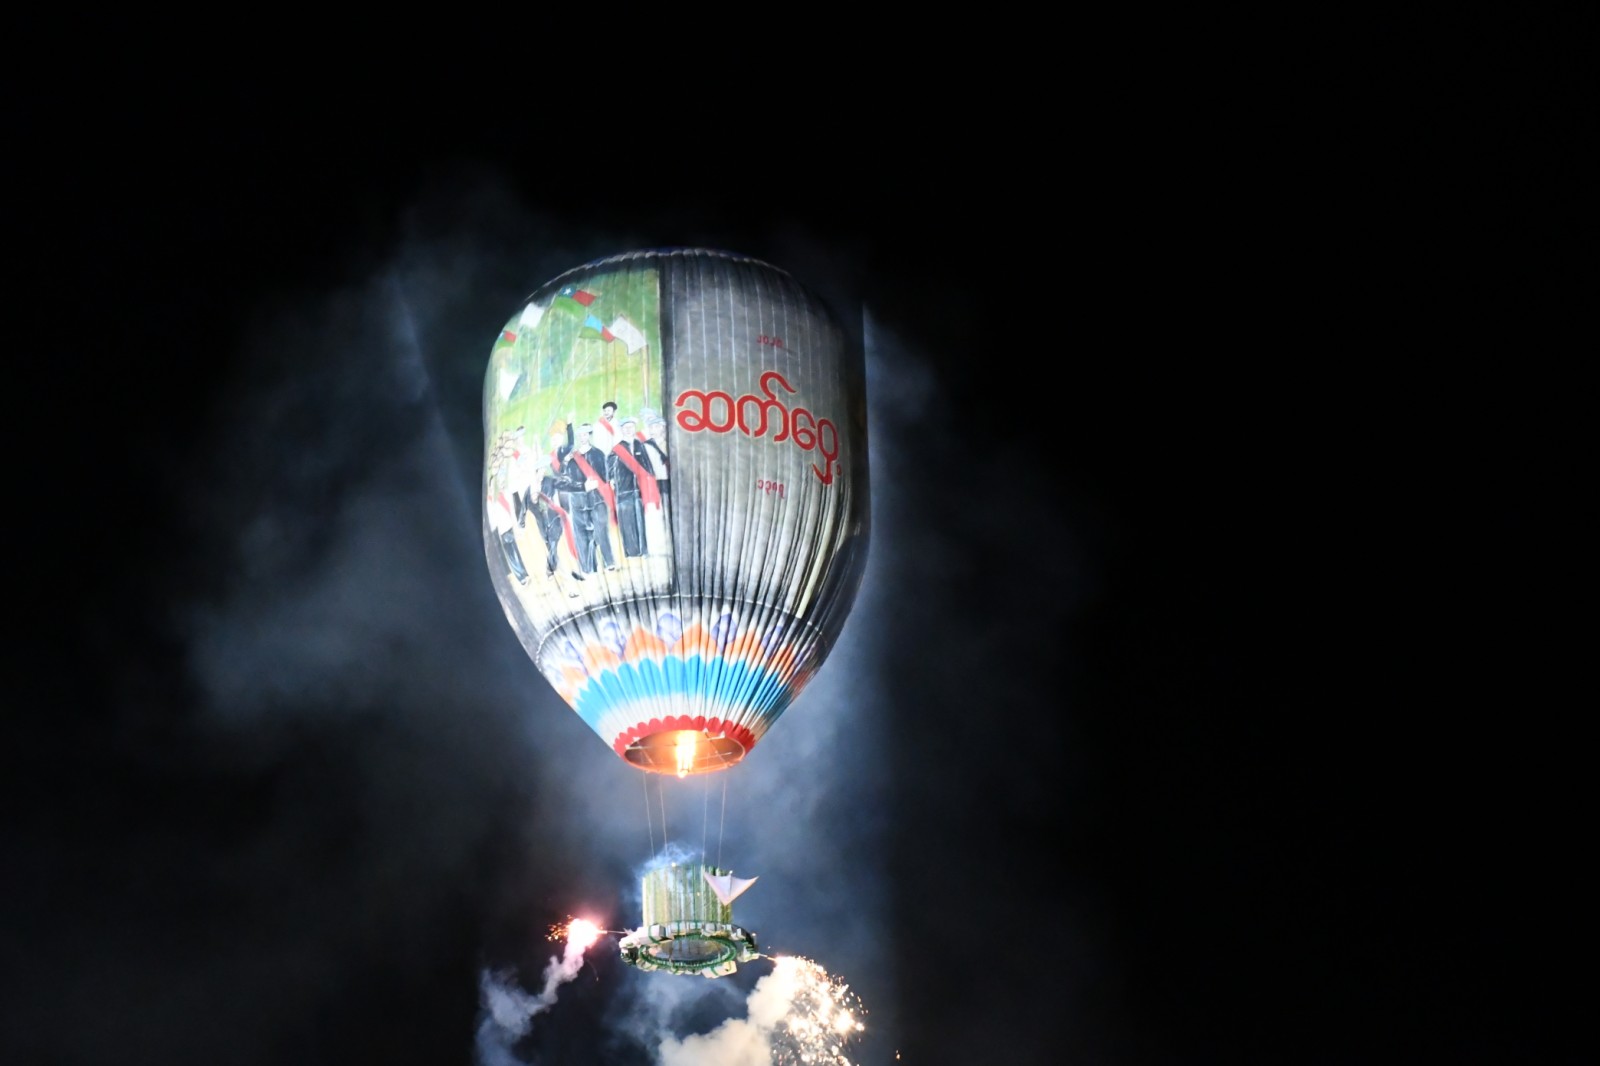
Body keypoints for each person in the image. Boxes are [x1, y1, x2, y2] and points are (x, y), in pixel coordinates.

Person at [554, 421, 617, 577]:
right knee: (581, 536)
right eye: (580, 434)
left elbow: (605, 477)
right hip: (578, 502)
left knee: (601, 533)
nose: (582, 437)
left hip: (597, 500)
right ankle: (588, 568)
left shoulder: (598, 454)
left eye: (585, 434)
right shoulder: (571, 458)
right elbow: (561, 482)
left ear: (589, 435)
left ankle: (609, 562)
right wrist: (567, 464)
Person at [607, 415, 658, 558]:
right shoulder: (616, 449)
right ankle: (631, 552)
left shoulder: (639, 445)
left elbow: (648, 466)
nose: (629, 430)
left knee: (640, 521)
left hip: (639, 490)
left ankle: (644, 550)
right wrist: (612, 481)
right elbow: (608, 470)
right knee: (626, 522)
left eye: (631, 427)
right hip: (623, 490)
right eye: (626, 427)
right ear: (622, 430)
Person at [487, 469, 530, 586]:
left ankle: (524, 574)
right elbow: (492, 520)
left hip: (509, 527)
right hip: (502, 531)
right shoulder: (490, 501)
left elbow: (511, 510)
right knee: (511, 555)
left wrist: (515, 526)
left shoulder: (501, 495)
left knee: (515, 552)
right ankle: (521, 578)